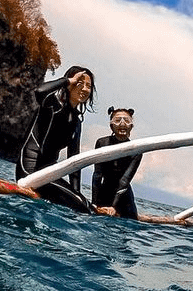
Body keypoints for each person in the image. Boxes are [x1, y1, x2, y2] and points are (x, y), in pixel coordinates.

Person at [16, 65, 96, 212]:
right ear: (69, 84)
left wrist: (77, 193)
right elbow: (39, 91)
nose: (85, 89)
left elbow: (74, 161)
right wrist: (67, 80)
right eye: (79, 83)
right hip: (30, 170)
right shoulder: (52, 104)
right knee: (82, 206)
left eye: (89, 86)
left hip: (48, 173)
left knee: (84, 204)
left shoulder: (76, 122)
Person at [91, 106, 142, 219]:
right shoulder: (102, 143)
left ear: (131, 126)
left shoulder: (136, 151)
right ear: (111, 125)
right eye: (117, 121)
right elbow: (97, 175)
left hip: (124, 197)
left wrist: (114, 206)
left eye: (126, 121)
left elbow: (125, 180)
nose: (122, 124)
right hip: (104, 192)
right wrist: (94, 203)